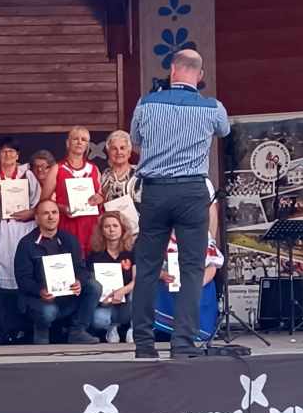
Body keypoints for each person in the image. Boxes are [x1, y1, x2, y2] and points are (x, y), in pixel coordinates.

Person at [129, 46, 229, 360]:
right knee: (192, 268)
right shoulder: (212, 107)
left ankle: (144, 345)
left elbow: (135, 140)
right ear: (200, 75)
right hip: (191, 192)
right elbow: (224, 130)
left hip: (155, 191)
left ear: (172, 70)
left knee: (147, 267)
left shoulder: (146, 103)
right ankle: (183, 343)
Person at [13, 197, 99, 345]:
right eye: (45, 213)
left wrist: (79, 281)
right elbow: (23, 279)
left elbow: (82, 269)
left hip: (66, 297)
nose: (51, 217)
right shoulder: (26, 244)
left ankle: (77, 331)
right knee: (48, 312)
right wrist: (40, 291)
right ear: (37, 218)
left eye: (54, 212)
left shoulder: (70, 240)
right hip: (38, 300)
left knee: (94, 286)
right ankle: (41, 331)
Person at [0, 138, 36, 344]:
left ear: (18, 155)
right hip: (0, 228)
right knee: (1, 275)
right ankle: (4, 327)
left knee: (22, 272)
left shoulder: (28, 175)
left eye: (12, 151)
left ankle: (23, 327)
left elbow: (37, 201)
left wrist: (31, 212)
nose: (8, 155)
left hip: (23, 227)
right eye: (4, 151)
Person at [87, 210, 137, 344]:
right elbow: (92, 284)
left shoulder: (131, 252)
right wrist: (101, 300)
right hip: (106, 304)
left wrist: (122, 291)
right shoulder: (94, 256)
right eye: (107, 226)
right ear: (101, 231)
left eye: (115, 226)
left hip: (128, 304)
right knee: (98, 320)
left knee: (140, 289)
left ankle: (134, 329)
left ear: (122, 229)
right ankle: (111, 328)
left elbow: (137, 280)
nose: (111, 229)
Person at [53, 126, 102, 257]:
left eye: (84, 139)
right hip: (67, 224)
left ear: (87, 145)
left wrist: (99, 198)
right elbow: (45, 201)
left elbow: (101, 196)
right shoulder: (57, 169)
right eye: (75, 139)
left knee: (92, 263)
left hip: (91, 226)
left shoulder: (94, 169)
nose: (80, 142)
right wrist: (63, 208)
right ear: (68, 143)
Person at [100, 130, 141, 232]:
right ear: (109, 152)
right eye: (114, 149)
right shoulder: (104, 175)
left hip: (136, 230)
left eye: (122, 148)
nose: (119, 152)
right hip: (111, 231)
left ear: (129, 152)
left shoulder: (139, 174)